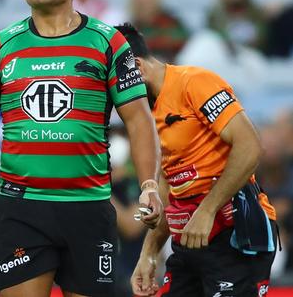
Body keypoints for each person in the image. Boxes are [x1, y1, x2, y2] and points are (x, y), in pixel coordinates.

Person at [0, 0, 163, 297]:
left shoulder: (109, 43)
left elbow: (140, 121)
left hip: (89, 206)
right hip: (22, 210)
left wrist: (149, 186)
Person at [119, 23, 278, 297]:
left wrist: (206, 210)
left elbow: (250, 145)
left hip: (234, 235)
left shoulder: (194, 82)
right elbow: (169, 187)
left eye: (115, 86)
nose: (115, 98)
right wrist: (149, 253)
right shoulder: (144, 116)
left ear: (137, 69)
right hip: (188, 242)